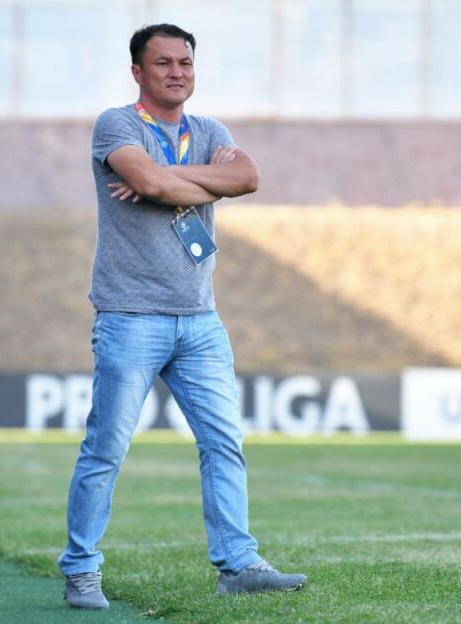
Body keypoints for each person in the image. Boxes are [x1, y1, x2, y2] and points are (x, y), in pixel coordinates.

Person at [58, 24, 307, 610]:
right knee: (106, 448)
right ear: (137, 72)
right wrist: (190, 183)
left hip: (200, 319)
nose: (177, 72)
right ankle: (81, 569)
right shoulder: (116, 125)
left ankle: (238, 564)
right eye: (163, 63)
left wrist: (170, 182)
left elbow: (247, 178)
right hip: (130, 315)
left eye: (186, 63)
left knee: (224, 443)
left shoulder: (210, 131)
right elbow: (148, 178)